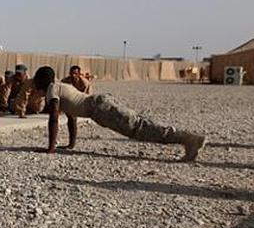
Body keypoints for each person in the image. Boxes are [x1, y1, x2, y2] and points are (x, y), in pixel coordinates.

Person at [33, 66, 205, 161]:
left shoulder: (52, 89)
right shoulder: (62, 87)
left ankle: (188, 139)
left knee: (139, 129)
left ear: (42, 80)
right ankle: (187, 140)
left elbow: (54, 118)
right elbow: (71, 118)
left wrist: (51, 148)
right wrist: (71, 144)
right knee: (139, 125)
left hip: (100, 108)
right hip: (100, 105)